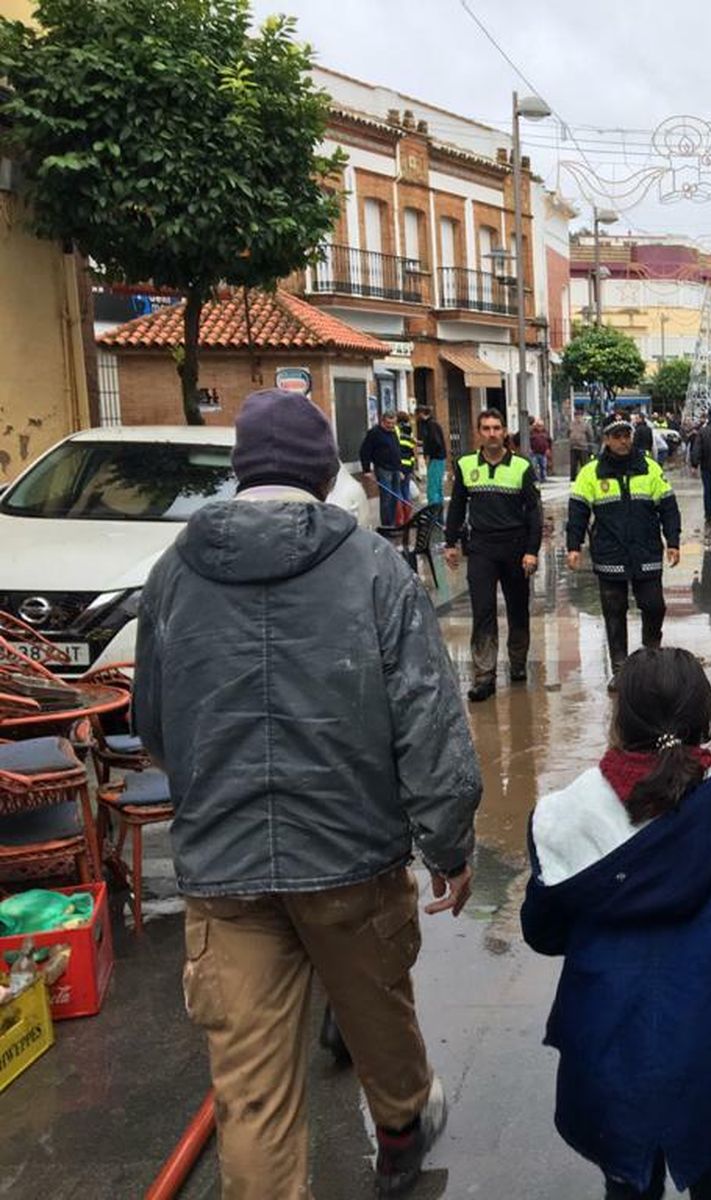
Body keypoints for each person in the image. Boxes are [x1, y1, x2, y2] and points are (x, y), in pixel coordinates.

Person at [135, 388, 481, 1199]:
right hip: (351, 859)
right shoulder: (374, 568)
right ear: (328, 475)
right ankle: (400, 1128)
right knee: (378, 1012)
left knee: (251, 1099)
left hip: (224, 873)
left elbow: (154, 720)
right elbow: (428, 721)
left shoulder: (172, 575)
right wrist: (450, 846)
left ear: (239, 471)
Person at [521, 647, 711, 1200]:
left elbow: (543, 933)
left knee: (626, 1180)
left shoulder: (564, 816)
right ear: (706, 718)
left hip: (604, 1044)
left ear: (619, 721)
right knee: (708, 1167)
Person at [567, 414, 681, 691]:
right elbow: (578, 512)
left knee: (654, 606)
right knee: (614, 611)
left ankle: (650, 658)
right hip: (610, 553)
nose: (622, 440)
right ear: (606, 439)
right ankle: (620, 669)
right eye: (616, 435)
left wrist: (673, 540)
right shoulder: (590, 473)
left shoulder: (650, 469)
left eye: (626, 435)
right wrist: (573, 546)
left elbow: (668, 507)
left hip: (646, 551)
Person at [444, 408, 543, 703]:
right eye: (486, 428)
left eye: (496, 428)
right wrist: (450, 543)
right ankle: (484, 675)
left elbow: (534, 514)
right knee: (483, 611)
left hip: (515, 547)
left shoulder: (522, 467)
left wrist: (531, 551)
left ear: (504, 431)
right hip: (482, 549)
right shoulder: (465, 465)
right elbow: (457, 507)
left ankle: (517, 663)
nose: (491, 433)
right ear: (479, 432)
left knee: (517, 610)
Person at [359, 409, 406, 527]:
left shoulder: (393, 432)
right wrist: (367, 470)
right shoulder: (374, 433)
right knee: (387, 498)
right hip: (383, 468)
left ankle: (394, 523)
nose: (390, 426)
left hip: (395, 468)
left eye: (393, 424)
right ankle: (387, 525)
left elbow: (397, 450)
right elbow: (364, 451)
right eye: (388, 424)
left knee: (396, 497)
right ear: (382, 421)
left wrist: (400, 469)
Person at [414, 402, 449, 508]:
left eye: (416, 415)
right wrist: (422, 443)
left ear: (420, 414)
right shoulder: (433, 424)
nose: (415, 418)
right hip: (439, 458)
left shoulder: (430, 425)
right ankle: (438, 516)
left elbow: (435, 442)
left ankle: (433, 515)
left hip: (436, 458)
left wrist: (428, 455)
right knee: (437, 488)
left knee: (433, 489)